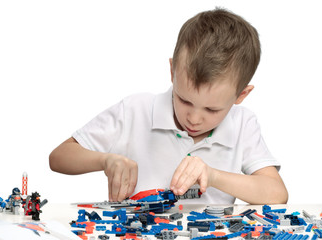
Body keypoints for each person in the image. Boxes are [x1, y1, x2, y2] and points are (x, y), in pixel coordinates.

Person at [49, 8, 288, 204]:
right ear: (172, 71)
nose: (194, 118)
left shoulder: (243, 123)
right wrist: (105, 160)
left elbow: (277, 194)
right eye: (184, 100)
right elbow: (59, 157)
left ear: (241, 95)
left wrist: (213, 176)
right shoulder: (136, 110)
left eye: (212, 110)